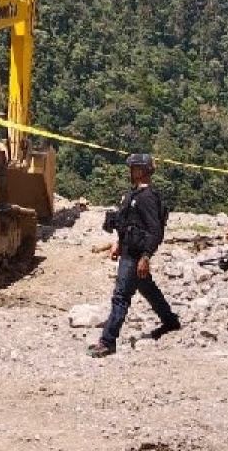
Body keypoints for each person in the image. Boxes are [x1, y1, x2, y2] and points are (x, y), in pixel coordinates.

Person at [87, 153, 181, 358]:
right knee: (148, 289)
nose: (130, 172)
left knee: (121, 297)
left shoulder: (147, 198)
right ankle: (171, 322)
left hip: (136, 255)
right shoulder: (134, 195)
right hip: (129, 250)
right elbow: (128, 224)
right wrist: (118, 243)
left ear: (142, 171)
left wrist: (146, 256)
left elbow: (155, 231)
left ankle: (107, 341)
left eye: (134, 169)